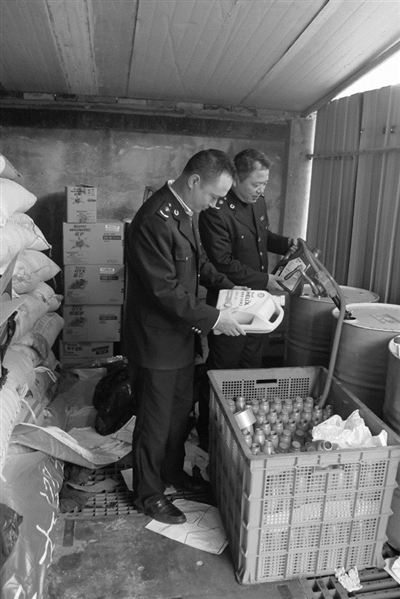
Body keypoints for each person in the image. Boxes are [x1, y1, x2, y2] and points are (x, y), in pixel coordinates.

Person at [124, 149, 246, 525]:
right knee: (154, 420)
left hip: (180, 338)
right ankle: (148, 493)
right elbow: (165, 290)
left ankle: (172, 472)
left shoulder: (185, 211)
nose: (216, 204)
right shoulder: (153, 220)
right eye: (214, 195)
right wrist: (216, 318)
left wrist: (234, 289)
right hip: (156, 342)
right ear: (194, 181)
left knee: (179, 414)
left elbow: (200, 265)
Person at [196, 149, 297, 446]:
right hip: (231, 306)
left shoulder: (258, 202)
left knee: (250, 372)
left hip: (259, 306)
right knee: (222, 371)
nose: (261, 190)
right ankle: (208, 433)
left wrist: (287, 243)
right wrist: (265, 280)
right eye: (255, 184)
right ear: (236, 179)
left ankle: (241, 433)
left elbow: (262, 237)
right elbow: (222, 262)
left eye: (264, 183)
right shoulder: (216, 211)